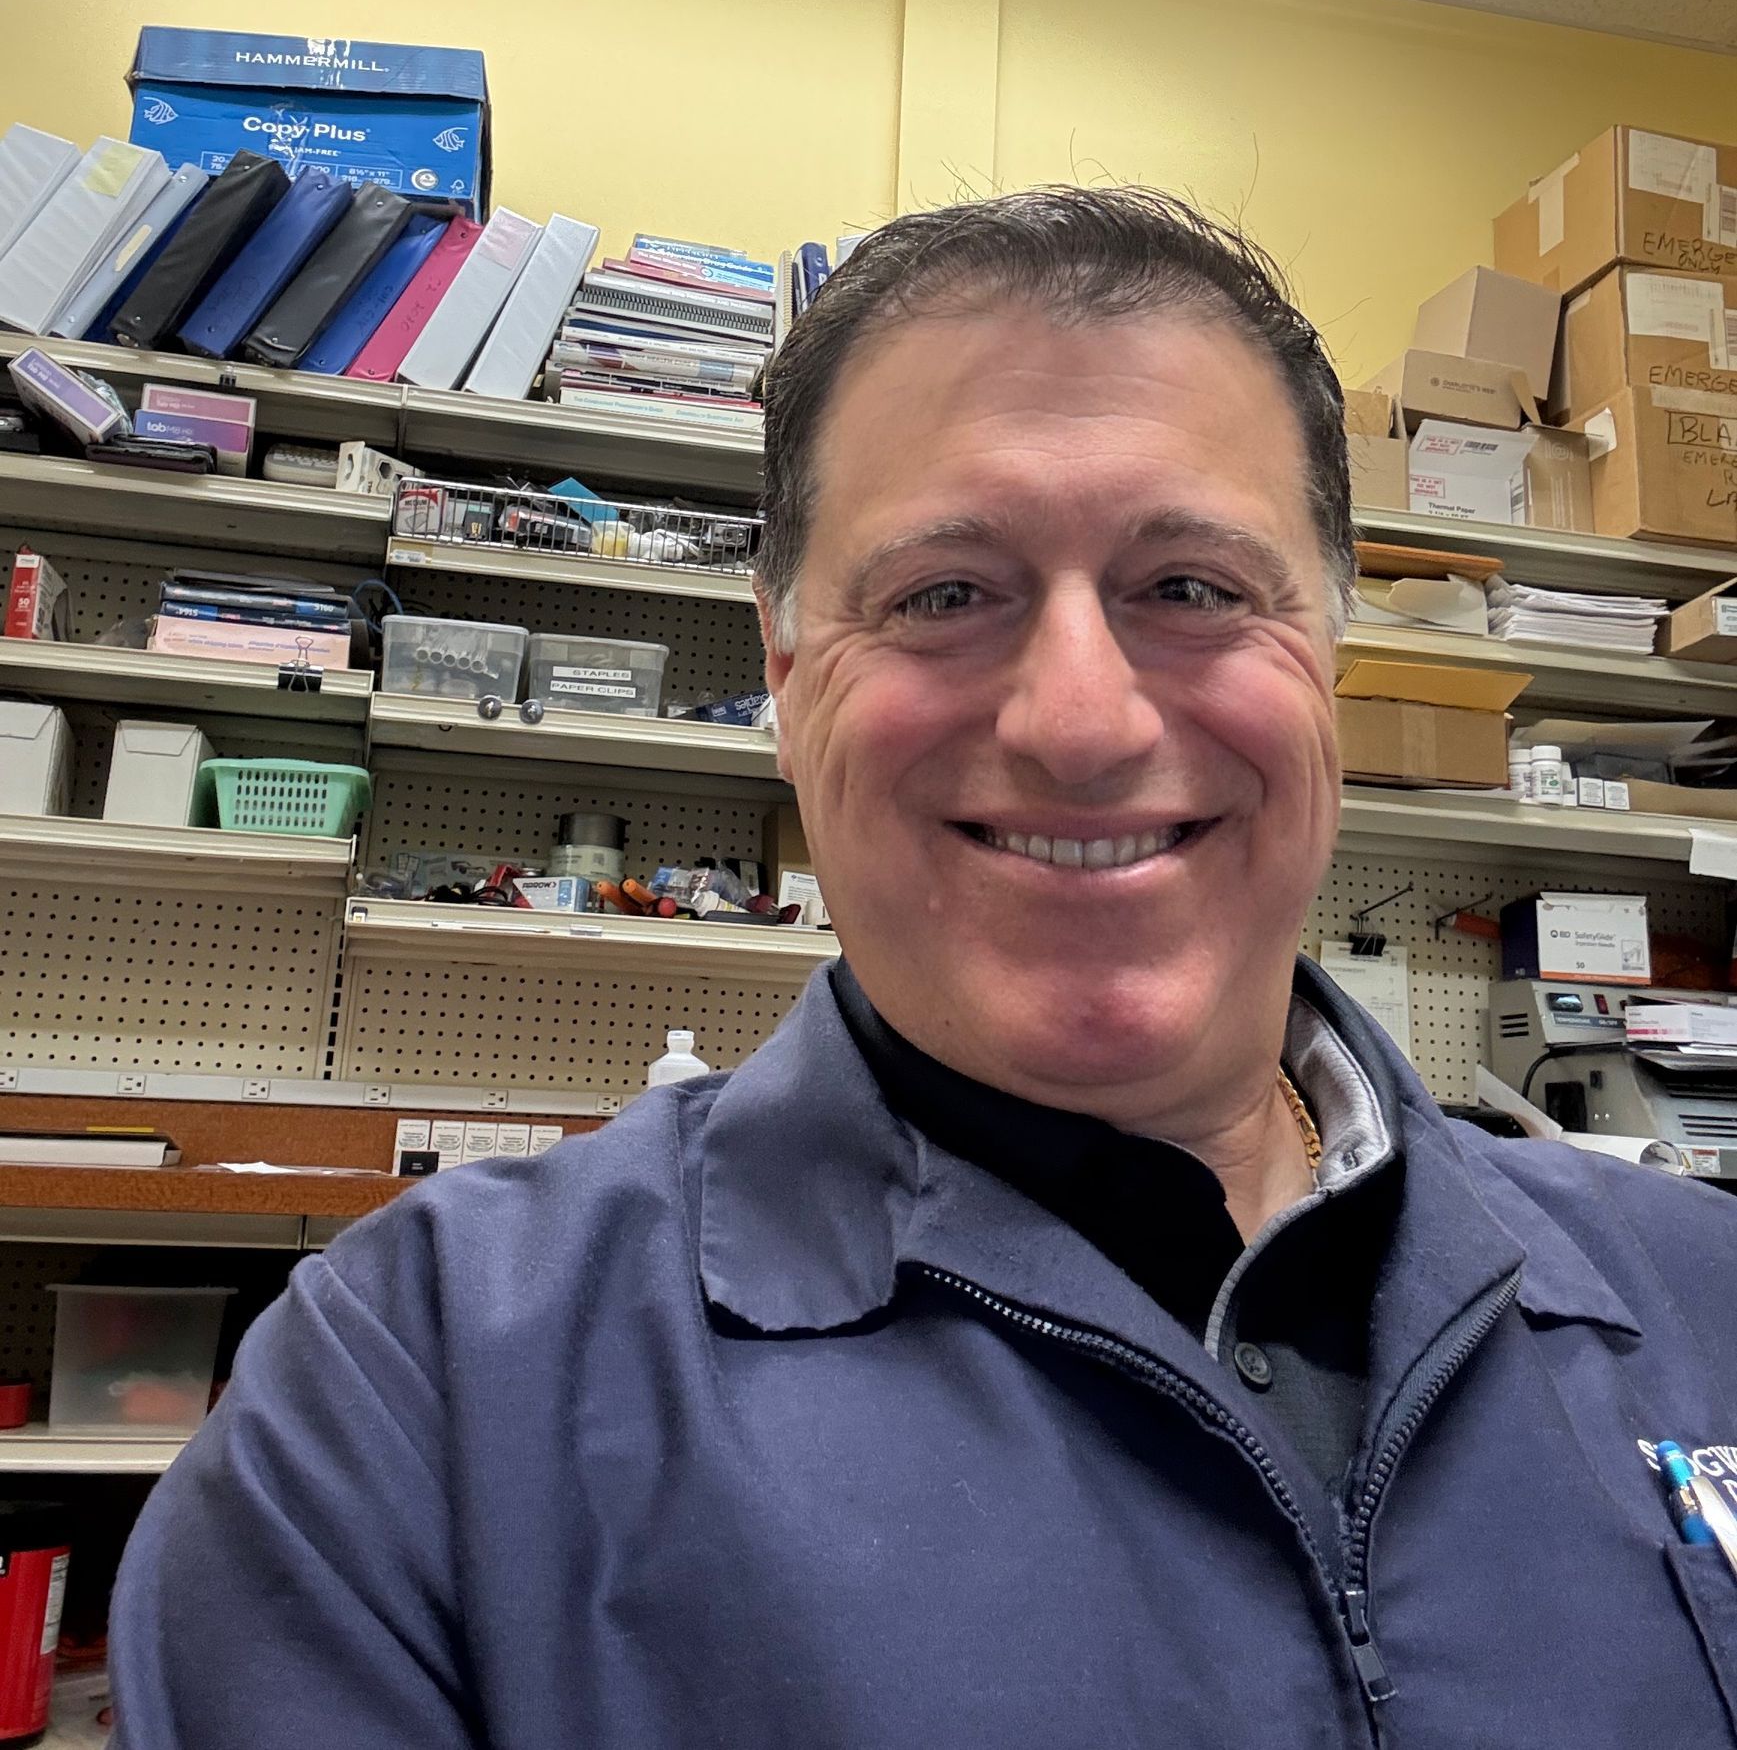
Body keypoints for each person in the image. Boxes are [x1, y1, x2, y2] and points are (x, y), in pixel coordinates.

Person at [111, 188, 1737, 1748]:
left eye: (1190, 588)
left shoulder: (1702, 1299)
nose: (1080, 724)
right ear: (785, 670)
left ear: (1324, 648)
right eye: (943, 593)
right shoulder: (417, 1396)